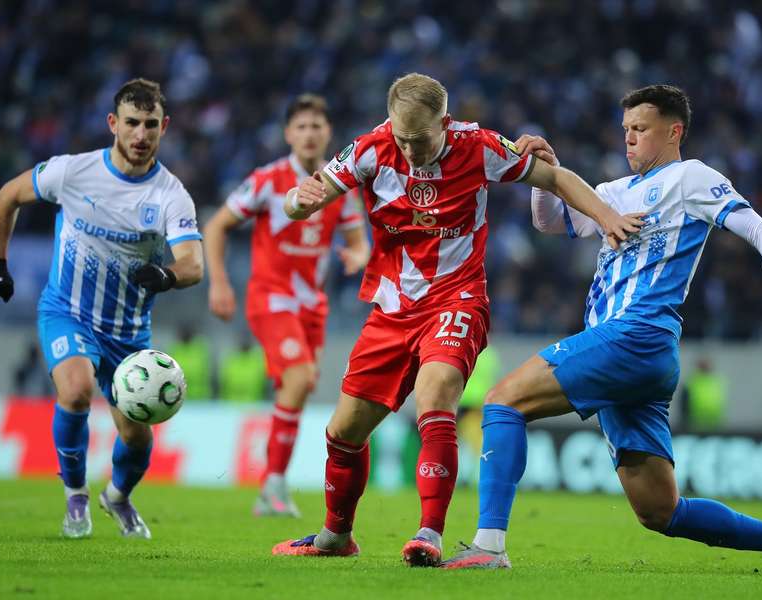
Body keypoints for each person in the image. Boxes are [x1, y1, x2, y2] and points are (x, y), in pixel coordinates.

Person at [441, 85, 762, 576]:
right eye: (626, 130)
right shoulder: (612, 194)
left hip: (636, 335)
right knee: (661, 512)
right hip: (637, 358)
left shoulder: (690, 178)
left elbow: (758, 228)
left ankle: (489, 545)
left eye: (641, 130)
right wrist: (543, 176)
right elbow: (550, 224)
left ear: (673, 131)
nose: (629, 140)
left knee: (503, 401)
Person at [271, 73, 642, 566]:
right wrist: (301, 202)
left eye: (420, 139)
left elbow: (556, 177)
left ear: (445, 123)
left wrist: (606, 216)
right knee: (343, 434)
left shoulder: (479, 145)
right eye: (401, 138)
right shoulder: (369, 148)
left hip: (456, 298)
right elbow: (301, 198)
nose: (409, 150)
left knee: (435, 397)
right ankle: (335, 537)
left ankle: (429, 533)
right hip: (392, 309)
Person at [0, 78, 204, 539]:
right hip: (68, 311)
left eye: (151, 125)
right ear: (112, 124)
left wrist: (166, 275)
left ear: (165, 127)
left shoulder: (169, 194)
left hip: (128, 333)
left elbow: (193, 264)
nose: (141, 135)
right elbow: (7, 197)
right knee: (77, 389)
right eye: (132, 124)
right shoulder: (72, 172)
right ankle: (75, 496)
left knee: (138, 436)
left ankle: (117, 496)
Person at [203, 94, 369, 517]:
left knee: (300, 384)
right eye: (302, 126)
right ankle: (273, 487)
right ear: (287, 134)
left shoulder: (341, 188)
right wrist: (219, 283)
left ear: (328, 133)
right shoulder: (267, 180)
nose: (310, 134)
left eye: (317, 126)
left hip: (313, 306)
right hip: (271, 297)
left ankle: (270, 486)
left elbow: (358, 242)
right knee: (297, 379)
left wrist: (357, 256)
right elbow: (218, 225)